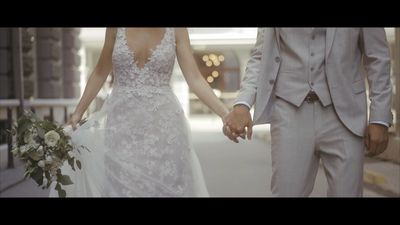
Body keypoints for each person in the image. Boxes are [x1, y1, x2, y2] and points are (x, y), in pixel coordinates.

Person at [50, 28, 229, 197]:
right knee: (122, 186)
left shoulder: (176, 29)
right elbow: (99, 72)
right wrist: (77, 113)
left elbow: (195, 78)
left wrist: (225, 114)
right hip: (121, 127)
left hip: (164, 128)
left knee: (166, 186)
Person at [223, 28, 393, 197]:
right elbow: (261, 56)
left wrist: (379, 118)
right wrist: (243, 104)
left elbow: (377, 58)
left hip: (345, 113)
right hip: (289, 110)